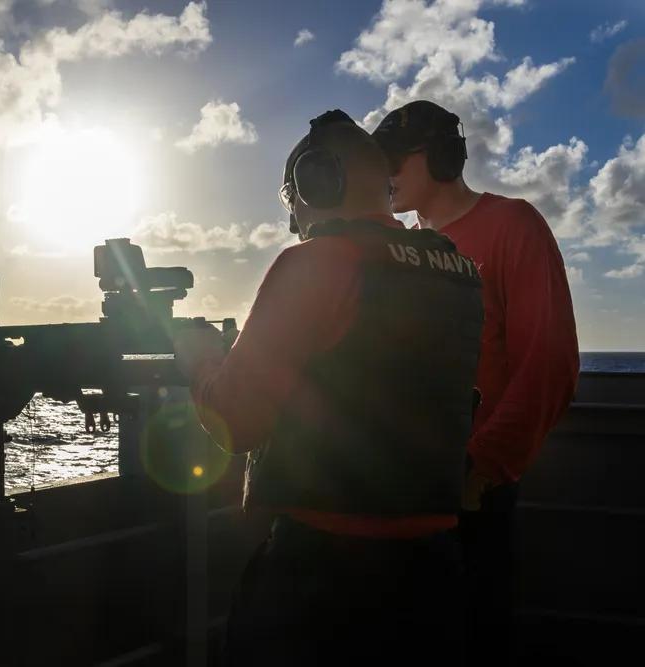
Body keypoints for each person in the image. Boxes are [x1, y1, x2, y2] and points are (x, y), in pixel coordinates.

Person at [173, 109, 484, 665]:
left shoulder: (317, 263)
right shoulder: (457, 272)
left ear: (319, 182)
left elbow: (237, 422)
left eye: (292, 198)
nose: (294, 217)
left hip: (326, 579)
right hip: (434, 573)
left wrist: (199, 361)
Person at [371, 99, 580, 664]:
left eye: (393, 158)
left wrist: (481, 466)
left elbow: (550, 361)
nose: (382, 173)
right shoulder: (393, 248)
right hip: (395, 493)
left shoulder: (514, 225)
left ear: (440, 156)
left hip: (471, 495)